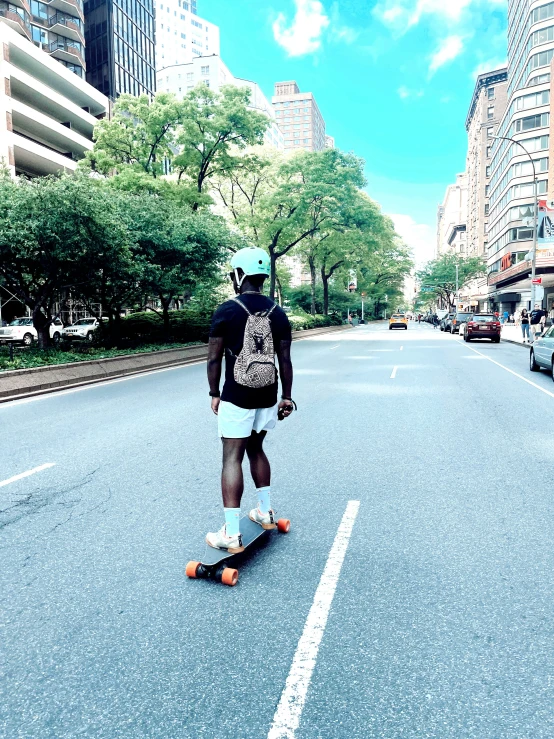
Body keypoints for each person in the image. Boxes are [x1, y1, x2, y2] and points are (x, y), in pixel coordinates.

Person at [206, 247, 294, 553]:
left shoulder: (226, 310)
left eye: (233, 274)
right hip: (268, 394)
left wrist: (214, 393)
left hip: (237, 394)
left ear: (239, 275)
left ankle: (231, 533)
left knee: (231, 457)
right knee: (256, 448)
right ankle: (266, 511)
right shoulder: (278, 313)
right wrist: (287, 397)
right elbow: (285, 361)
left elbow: (214, 360)